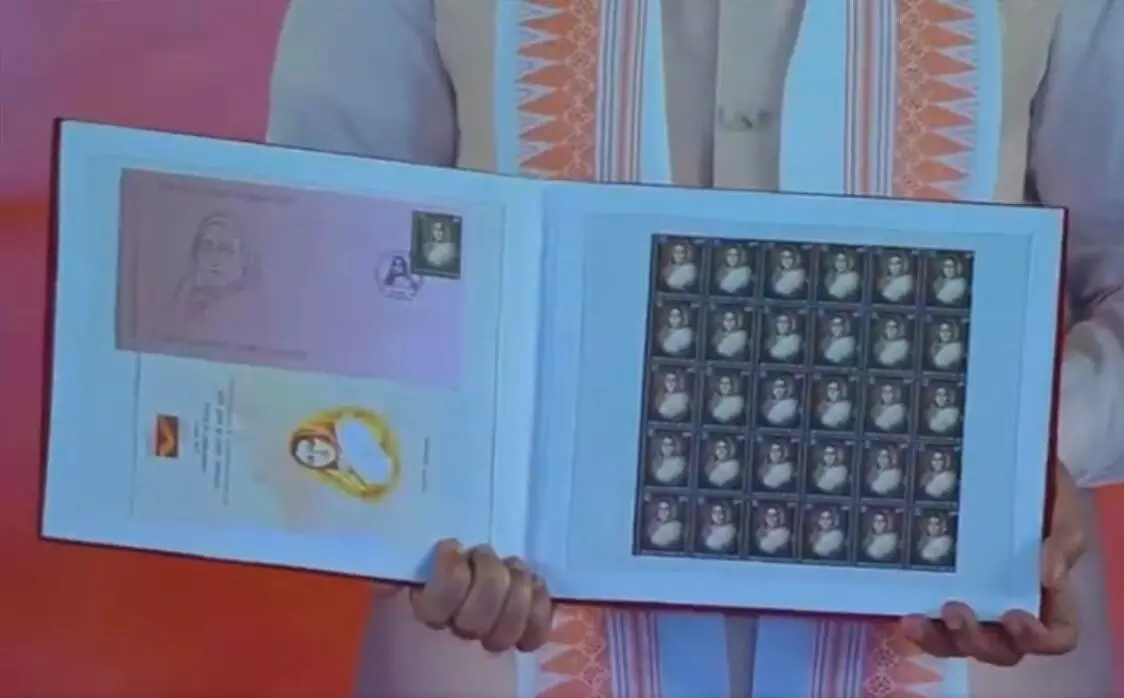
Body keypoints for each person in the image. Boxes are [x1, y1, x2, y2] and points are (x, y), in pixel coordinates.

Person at [268, 1, 1124, 695]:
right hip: (497, 648)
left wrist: (1032, 454)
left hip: (970, 654)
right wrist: (418, 495)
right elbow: (322, 261)